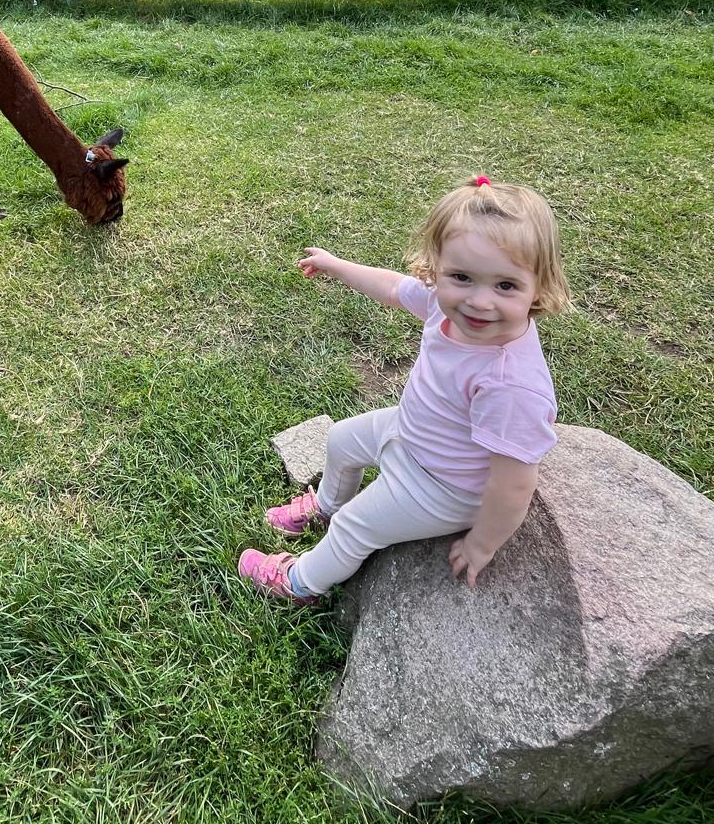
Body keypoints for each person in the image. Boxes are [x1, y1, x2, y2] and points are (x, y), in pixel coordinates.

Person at [237, 177, 572, 606]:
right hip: (410, 431)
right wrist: (336, 265)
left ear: (539, 285)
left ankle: (299, 583)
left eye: (505, 286)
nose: (479, 301)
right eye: (462, 277)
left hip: (443, 487)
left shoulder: (511, 384)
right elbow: (394, 288)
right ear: (438, 269)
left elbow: (514, 485)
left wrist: (482, 543)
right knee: (340, 439)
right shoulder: (444, 304)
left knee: (354, 527)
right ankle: (325, 505)